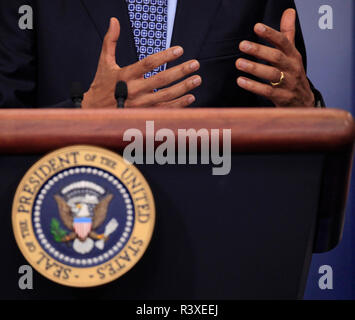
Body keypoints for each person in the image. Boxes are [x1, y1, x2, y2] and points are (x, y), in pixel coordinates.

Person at [0, 0, 324, 109]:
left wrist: (306, 108)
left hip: (220, 236)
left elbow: (287, 100)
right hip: (78, 234)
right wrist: (82, 112)